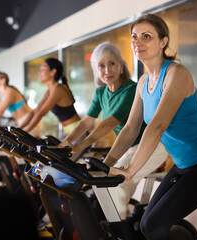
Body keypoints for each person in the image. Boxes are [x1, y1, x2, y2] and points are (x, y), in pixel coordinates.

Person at [106, 14, 197, 239]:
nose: (138, 42)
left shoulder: (176, 73)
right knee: (146, 225)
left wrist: (130, 171)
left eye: (146, 37)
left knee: (154, 225)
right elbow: (130, 129)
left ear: (163, 42)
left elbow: (157, 126)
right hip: (183, 165)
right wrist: (104, 165)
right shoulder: (143, 82)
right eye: (135, 37)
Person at [59, 42, 167, 219]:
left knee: (115, 184)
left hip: (151, 146)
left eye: (112, 64)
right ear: (95, 70)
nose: (107, 70)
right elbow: (87, 121)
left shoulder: (131, 90)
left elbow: (108, 124)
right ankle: (116, 227)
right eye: (101, 66)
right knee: (105, 184)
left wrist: (80, 146)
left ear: (121, 66)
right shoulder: (101, 92)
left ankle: (119, 230)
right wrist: (67, 142)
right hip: (130, 148)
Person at [19, 58, 81, 137]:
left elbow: (40, 114)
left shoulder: (58, 89)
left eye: (43, 69)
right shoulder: (49, 91)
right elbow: (35, 112)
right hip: (70, 131)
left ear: (53, 72)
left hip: (77, 132)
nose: (39, 72)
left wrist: (22, 133)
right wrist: (18, 129)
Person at [0, 72, 40, 136]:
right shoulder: (4, 94)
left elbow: (0, 111)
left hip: (30, 122)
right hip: (22, 122)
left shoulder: (10, 91)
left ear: (3, 80)